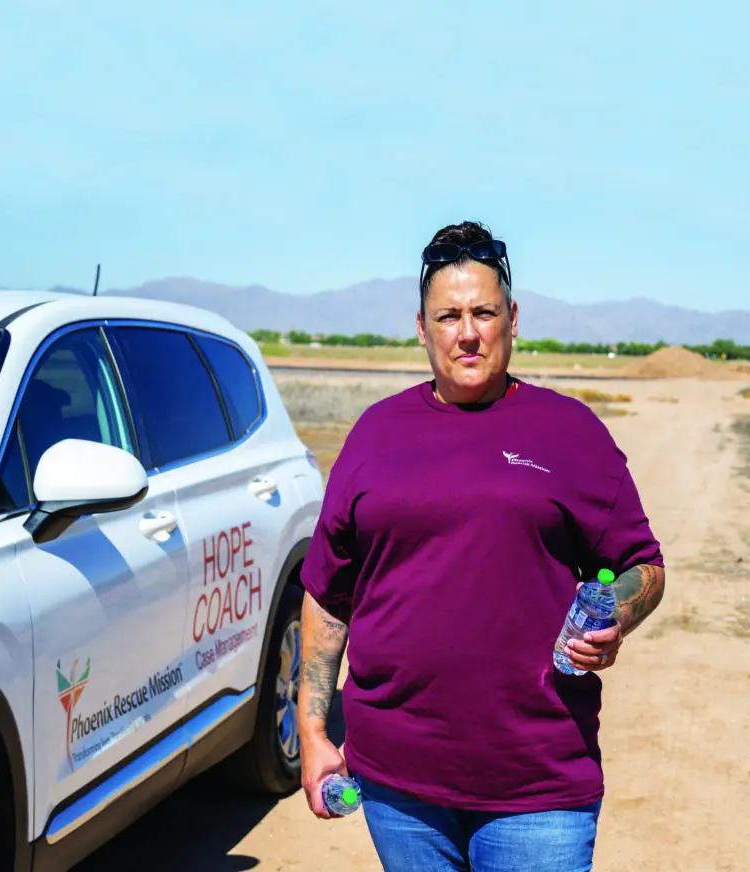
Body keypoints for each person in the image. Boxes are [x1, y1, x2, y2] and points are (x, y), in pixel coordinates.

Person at [297, 220, 666, 872]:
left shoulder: (569, 433)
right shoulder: (374, 436)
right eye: (448, 315)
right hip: (397, 786)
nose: (467, 332)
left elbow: (644, 565)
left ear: (512, 318)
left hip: (538, 787)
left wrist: (619, 615)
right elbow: (328, 597)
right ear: (421, 327)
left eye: (483, 312)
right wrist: (315, 731)